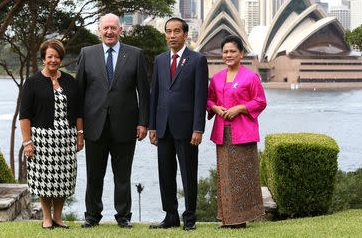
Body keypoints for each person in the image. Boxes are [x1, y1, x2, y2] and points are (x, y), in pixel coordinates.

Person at [76, 13, 150, 228]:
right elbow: (79, 93)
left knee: (123, 175)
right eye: (105, 28)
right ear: (99, 30)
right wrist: (79, 128)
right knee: (94, 175)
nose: (109, 32)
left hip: (126, 126)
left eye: (113, 28)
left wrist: (143, 122)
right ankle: (92, 216)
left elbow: (144, 93)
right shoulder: (87, 54)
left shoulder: (135, 55)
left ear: (120, 30)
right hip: (93, 126)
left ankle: (123, 216)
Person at [149, 17, 208, 231]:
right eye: (168, 31)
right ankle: (171, 215)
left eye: (176, 31)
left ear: (185, 34)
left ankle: (190, 218)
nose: (171, 36)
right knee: (165, 174)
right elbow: (154, 93)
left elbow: (200, 96)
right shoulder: (160, 60)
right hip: (163, 127)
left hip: (186, 129)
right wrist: (152, 126)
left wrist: (198, 128)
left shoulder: (197, 60)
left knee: (188, 174)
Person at [20, 39, 84, 230]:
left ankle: (58, 217)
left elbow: (78, 111)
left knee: (63, 179)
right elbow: (25, 116)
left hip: (66, 138)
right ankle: (46, 218)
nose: (54, 60)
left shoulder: (70, 81)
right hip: (41, 139)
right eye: (50, 56)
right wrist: (27, 142)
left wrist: (80, 134)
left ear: (61, 59)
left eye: (57, 57)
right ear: (43, 59)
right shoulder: (32, 83)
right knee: (44, 180)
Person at [207, 35, 267, 229]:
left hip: (243, 133)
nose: (229, 55)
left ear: (241, 53)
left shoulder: (250, 77)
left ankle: (240, 219)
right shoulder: (216, 78)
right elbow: (209, 100)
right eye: (225, 52)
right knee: (225, 176)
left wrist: (240, 108)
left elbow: (260, 101)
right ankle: (228, 219)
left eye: (233, 51)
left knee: (243, 175)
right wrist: (215, 108)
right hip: (222, 133)